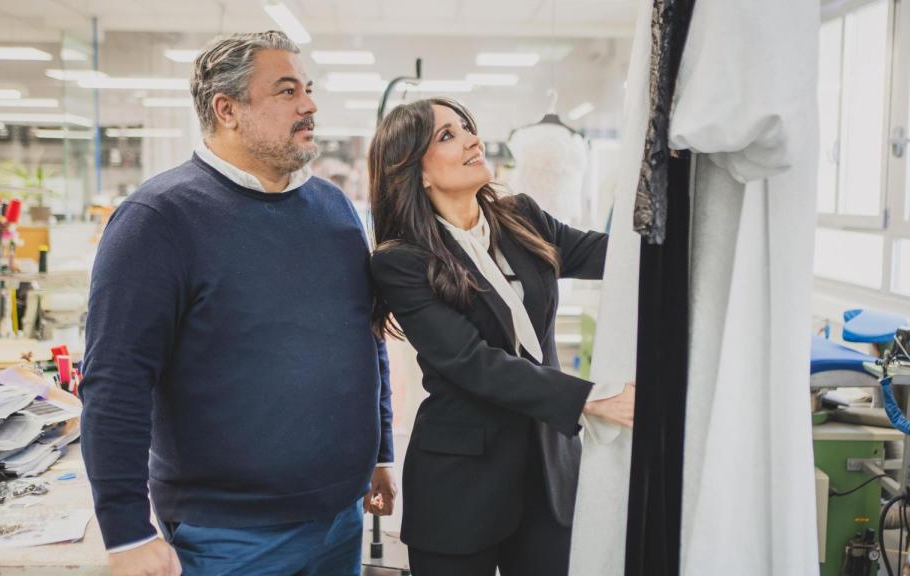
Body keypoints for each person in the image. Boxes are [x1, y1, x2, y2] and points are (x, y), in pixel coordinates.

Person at [80, 30, 397, 576]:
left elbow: (365, 339)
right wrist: (126, 530)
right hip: (227, 535)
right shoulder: (158, 220)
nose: (309, 105)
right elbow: (116, 381)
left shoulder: (335, 209)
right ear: (226, 109)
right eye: (287, 91)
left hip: (341, 517)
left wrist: (380, 450)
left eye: (308, 90)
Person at [368, 97, 636, 576]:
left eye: (467, 127)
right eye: (447, 135)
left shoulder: (521, 217)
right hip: (460, 485)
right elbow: (472, 361)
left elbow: (609, 256)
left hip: (548, 472)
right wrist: (592, 398)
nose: (473, 139)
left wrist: (675, 225)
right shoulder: (401, 261)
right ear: (417, 171)